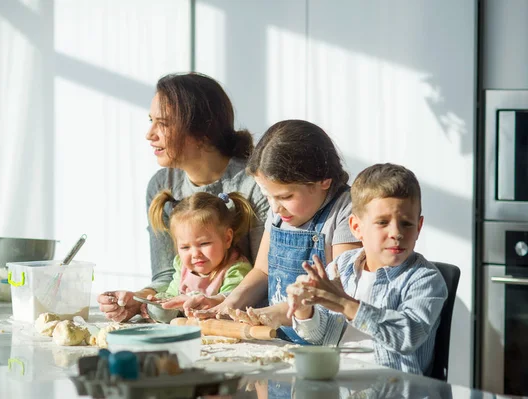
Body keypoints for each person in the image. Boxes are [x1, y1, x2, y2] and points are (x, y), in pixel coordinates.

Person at [97, 72, 269, 322]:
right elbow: (169, 275)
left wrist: (218, 304)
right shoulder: (161, 185)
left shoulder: (254, 185)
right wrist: (141, 298)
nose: (150, 134)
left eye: (163, 124)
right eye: (151, 121)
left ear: (203, 131)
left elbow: (264, 275)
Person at [194, 119, 362, 344]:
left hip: (326, 345)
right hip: (278, 339)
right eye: (267, 196)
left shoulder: (347, 209)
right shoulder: (280, 212)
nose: (275, 207)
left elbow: (337, 290)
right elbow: (263, 271)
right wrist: (228, 304)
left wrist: (276, 313)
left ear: (323, 181)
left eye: (286, 197)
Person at [286, 163, 447, 375]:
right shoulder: (342, 267)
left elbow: (406, 336)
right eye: (382, 222)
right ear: (356, 228)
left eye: (406, 224)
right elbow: (319, 336)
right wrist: (304, 310)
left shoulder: (425, 279)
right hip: (338, 382)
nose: (396, 233)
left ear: (419, 227)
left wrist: (345, 304)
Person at [146, 190, 254, 311]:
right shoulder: (182, 266)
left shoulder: (236, 269)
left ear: (227, 238)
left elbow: (231, 301)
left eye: (204, 243)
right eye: (185, 247)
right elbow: (172, 295)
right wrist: (160, 302)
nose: (195, 254)